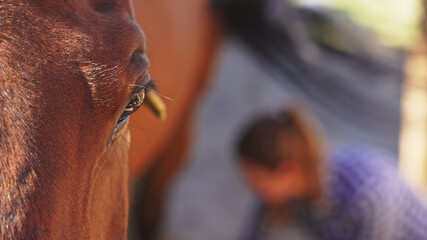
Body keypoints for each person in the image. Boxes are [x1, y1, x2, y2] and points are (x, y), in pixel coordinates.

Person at [236, 107, 427, 240]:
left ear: (287, 171)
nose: (251, 187)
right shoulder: (288, 191)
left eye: (256, 179)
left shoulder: (367, 196)